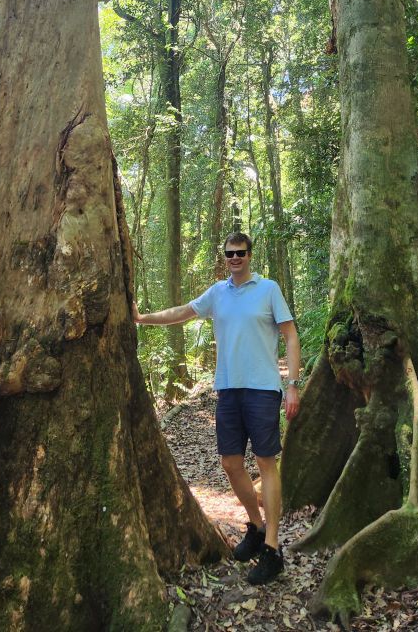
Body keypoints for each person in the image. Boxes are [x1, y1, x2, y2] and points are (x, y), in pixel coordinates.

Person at [132, 231, 302, 585]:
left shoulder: (268, 289)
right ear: (224, 256)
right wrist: (142, 318)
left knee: (266, 463)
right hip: (228, 389)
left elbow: (290, 335)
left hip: (263, 389)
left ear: (250, 255)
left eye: (241, 252)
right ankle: (256, 528)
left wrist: (292, 385)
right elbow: (183, 312)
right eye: (230, 253)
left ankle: (272, 548)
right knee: (230, 463)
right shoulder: (217, 293)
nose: (235, 258)